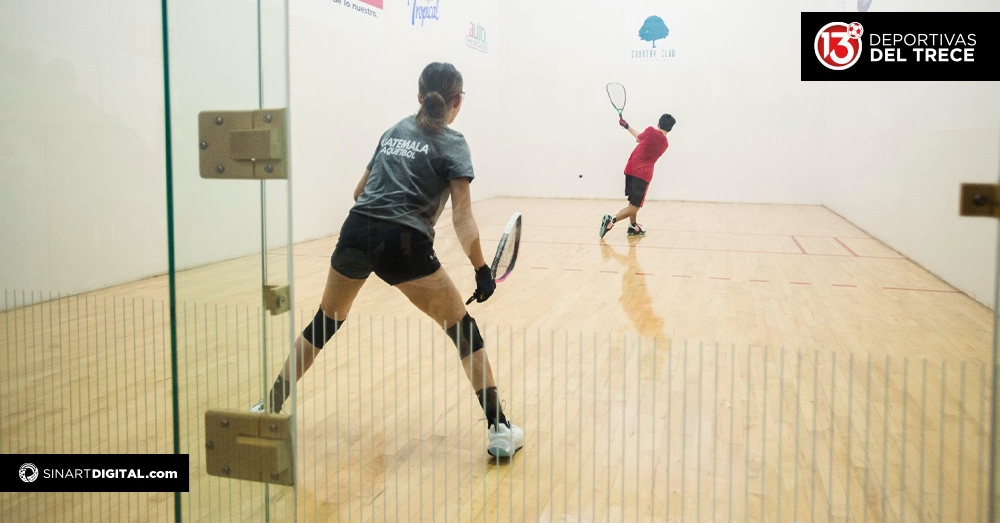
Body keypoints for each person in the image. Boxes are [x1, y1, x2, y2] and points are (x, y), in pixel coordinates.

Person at [253, 62, 524, 458]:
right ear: (457, 101)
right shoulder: (454, 143)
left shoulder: (393, 130)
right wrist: (482, 271)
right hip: (404, 243)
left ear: (419, 96)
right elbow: (462, 216)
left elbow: (359, 190)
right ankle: (500, 429)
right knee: (463, 330)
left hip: (356, 230)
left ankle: (267, 406)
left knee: (325, 321)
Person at [599, 113, 676, 238]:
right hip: (643, 175)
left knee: (632, 203)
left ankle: (633, 226)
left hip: (630, 168)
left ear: (658, 123)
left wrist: (627, 126)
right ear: (670, 129)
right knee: (635, 207)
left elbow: (638, 138)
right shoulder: (665, 144)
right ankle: (611, 220)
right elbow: (641, 140)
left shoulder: (650, 131)